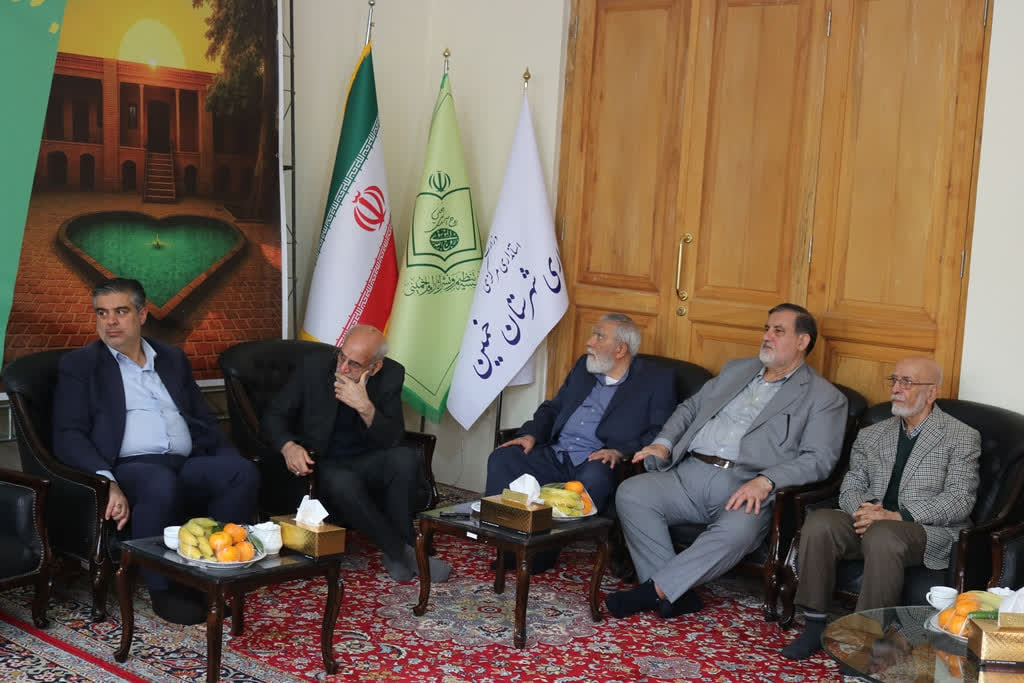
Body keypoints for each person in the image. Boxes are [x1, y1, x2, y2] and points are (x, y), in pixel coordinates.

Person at [606, 303, 847, 619]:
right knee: (632, 493)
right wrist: (663, 444)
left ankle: (653, 592)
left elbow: (819, 459)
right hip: (689, 472)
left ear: (802, 341)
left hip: (745, 487)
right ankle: (675, 595)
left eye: (778, 331)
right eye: (766, 329)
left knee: (739, 533)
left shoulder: (823, 397)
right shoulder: (737, 369)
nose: (767, 336)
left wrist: (767, 481)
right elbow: (690, 408)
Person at [53, 277, 259, 625]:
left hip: (184, 461)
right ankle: (164, 588)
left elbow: (202, 419)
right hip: (130, 467)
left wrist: (228, 457)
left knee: (240, 472)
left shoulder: (171, 358)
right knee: (159, 481)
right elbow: (67, 434)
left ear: (142, 315)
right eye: (102, 313)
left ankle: (216, 572)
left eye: (121, 311)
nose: (110, 321)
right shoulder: (81, 365)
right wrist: (106, 481)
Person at [780, 356, 980, 660]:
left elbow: (959, 499)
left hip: (924, 530)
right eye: (894, 380)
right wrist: (865, 511)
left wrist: (897, 516)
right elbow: (852, 484)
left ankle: (869, 639)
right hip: (870, 521)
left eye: (906, 382)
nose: (896, 388)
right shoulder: (872, 434)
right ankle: (814, 626)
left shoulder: (961, 436)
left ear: (931, 393)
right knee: (821, 523)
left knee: (885, 534)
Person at [484, 313, 676, 572]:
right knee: (504, 458)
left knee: (594, 478)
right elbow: (553, 408)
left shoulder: (656, 380)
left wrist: (620, 451)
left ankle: (540, 555)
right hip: (557, 452)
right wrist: (531, 434)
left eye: (599, 336)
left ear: (620, 350)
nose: (589, 342)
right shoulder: (584, 368)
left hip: (597, 459)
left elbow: (660, 430)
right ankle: (508, 545)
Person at [262, 324, 450, 583]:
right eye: (342, 356)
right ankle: (403, 553)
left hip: (366, 458)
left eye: (354, 364)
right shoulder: (314, 366)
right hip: (322, 461)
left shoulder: (391, 374)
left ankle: (401, 550)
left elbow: (393, 438)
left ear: (375, 367)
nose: (342, 368)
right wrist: (288, 446)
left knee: (405, 457)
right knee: (343, 481)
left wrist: (365, 407)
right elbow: (273, 415)